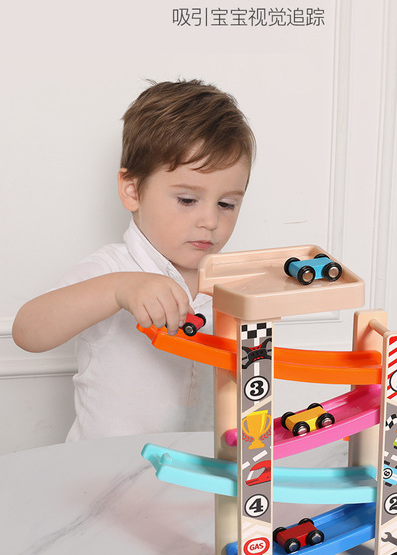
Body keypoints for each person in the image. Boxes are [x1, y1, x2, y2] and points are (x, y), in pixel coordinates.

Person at [12, 79, 256, 440]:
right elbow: (27, 332)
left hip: (196, 464)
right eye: (187, 200)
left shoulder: (232, 284)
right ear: (132, 191)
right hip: (108, 467)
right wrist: (118, 290)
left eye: (226, 204)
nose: (210, 220)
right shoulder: (114, 270)